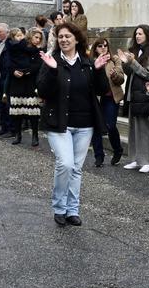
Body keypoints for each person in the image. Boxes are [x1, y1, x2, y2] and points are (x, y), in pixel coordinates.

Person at [36, 22, 110, 226]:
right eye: (61, 36)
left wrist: (99, 70)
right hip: (59, 122)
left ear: (76, 39)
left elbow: (102, 90)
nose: (64, 39)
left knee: (76, 168)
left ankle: (72, 210)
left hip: (85, 124)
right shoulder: (52, 61)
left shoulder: (87, 62)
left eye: (68, 36)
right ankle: (59, 207)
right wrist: (52, 71)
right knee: (65, 164)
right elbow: (42, 91)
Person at [121, 25, 149, 172]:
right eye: (136, 34)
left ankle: (146, 161)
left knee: (144, 129)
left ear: (147, 35)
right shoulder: (135, 50)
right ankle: (134, 159)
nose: (137, 36)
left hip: (145, 94)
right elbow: (130, 72)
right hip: (133, 94)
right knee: (133, 128)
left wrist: (132, 62)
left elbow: (147, 73)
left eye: (140, 34)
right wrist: (125, 62)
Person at [90, 37, 125, 167]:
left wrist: (115, 75)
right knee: (96, 127)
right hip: (97, 98)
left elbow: (121, 79)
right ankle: (99, 156)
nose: (103, 48)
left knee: (110, 125)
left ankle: (118, 150)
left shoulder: (114, 59)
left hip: (111, 97)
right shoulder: (91, 62)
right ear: (95, 48)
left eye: (105, 45)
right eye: (100, 46)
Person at [5, 27, 43, 146]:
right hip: (16, 82)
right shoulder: (18, 48)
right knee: (17, 111)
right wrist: (13, 71)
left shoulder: (37, 51)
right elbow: (8, 62)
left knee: (33, 113)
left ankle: (35, 136)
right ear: (30, 36)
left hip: (30, 82)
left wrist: (27, 71)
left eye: (39, 38)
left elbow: (38, 65)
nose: (37, 40)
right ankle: (18, 135)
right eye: (35, 37)